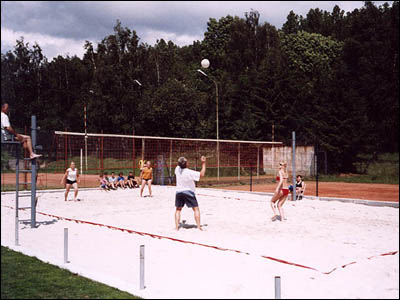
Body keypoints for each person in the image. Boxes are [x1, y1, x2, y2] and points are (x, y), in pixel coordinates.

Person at [174, 156, 206, 231]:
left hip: (179, 192)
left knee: (178, 210)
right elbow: (202, 174)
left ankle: (176, 228)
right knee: (196, 209)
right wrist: (203, 163)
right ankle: (198, 227)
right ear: (186, 164)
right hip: (188, 192)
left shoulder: (177, 169)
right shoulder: (189, 172)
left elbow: (180, 165)